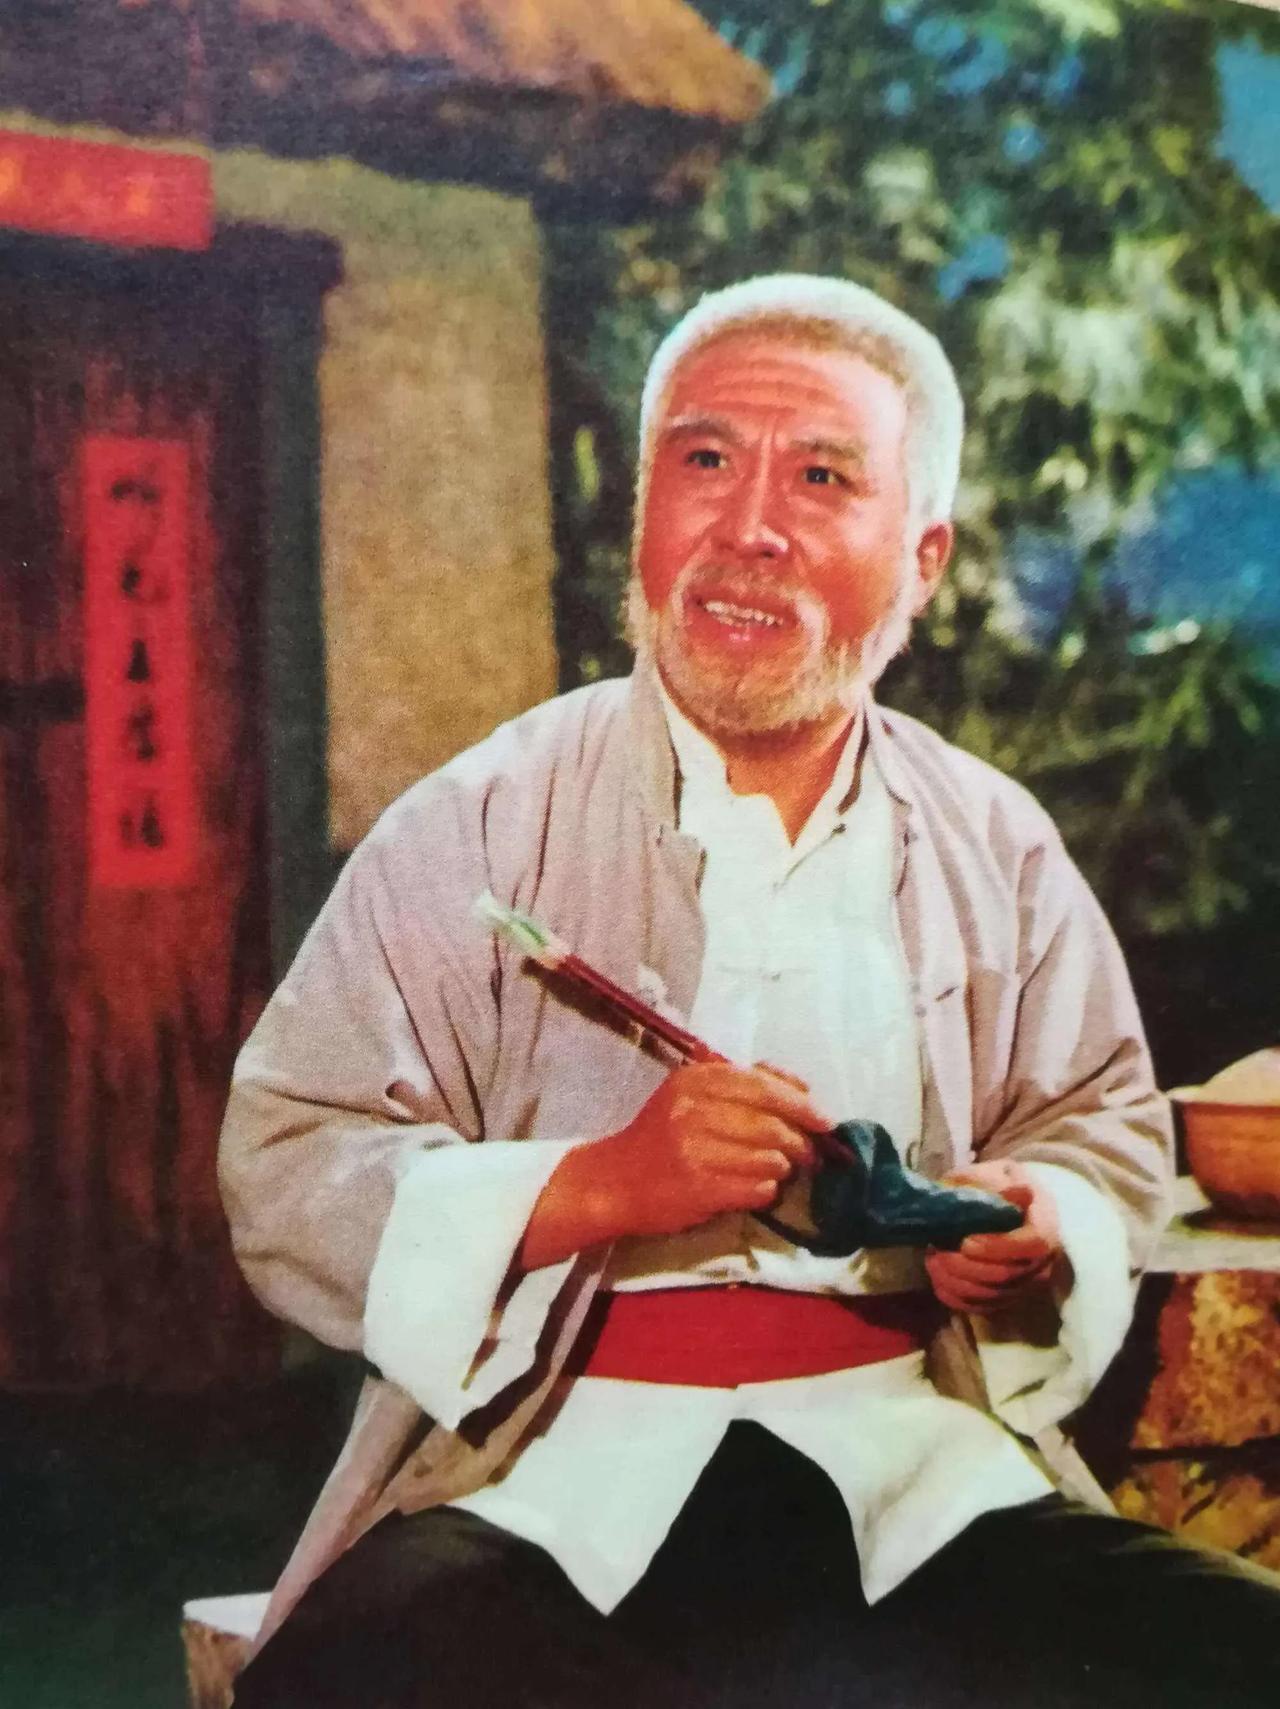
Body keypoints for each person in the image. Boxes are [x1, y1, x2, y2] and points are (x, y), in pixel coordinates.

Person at [222, 275, 1280, 1708]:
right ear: (644, 511)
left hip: (916, 1476)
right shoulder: (478, 822)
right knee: (360, 1673)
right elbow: (290, 1156)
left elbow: (1101, 1127)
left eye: (822, 478)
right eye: (705, 460)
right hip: (553, 1477)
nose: (749, 529)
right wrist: (600, 1182)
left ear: (922, 558)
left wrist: (1038, 1228)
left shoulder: (995, 843)